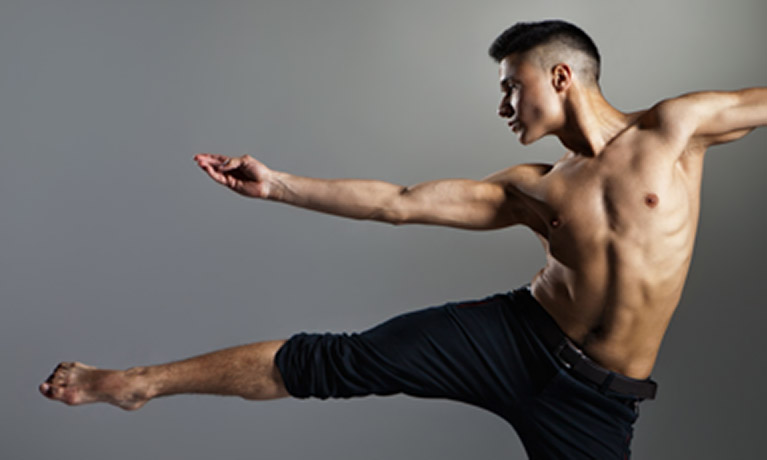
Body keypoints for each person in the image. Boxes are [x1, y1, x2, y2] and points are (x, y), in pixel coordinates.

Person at [39, 20, 766, 459]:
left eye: (512, 87)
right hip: (513, 338)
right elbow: (398, 203)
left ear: (561, 75)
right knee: (338, 362)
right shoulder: (534, 186)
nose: (503, 104)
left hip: (597, 401)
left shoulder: (675, 129)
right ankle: (135, 384)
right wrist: (280, 183)